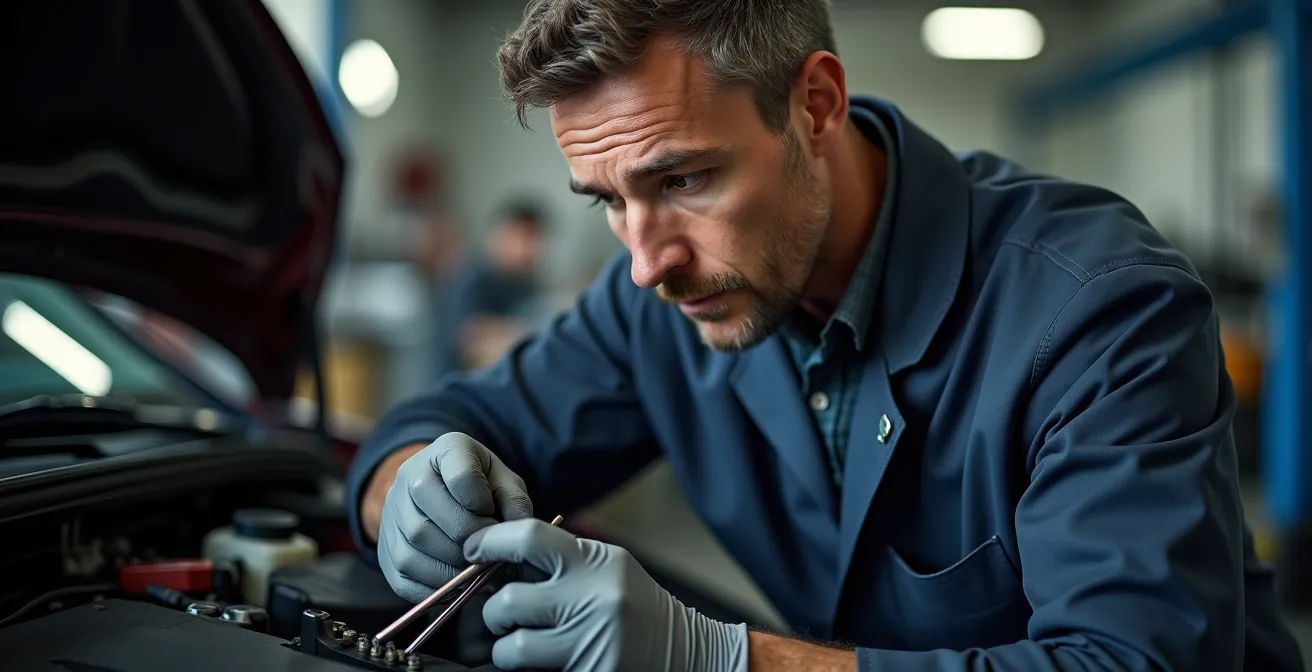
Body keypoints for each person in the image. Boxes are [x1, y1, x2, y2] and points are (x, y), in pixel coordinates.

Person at [345, 1, 1305, 670]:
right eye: (608, 200)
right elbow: (456, 420)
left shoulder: (1098, 312)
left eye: (684, 180)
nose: (645, 262)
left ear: (816, 106)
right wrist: (406, 484)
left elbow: (1134, 662)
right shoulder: (662, 301)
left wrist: (721, 662)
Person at [431, 199, 547, 374]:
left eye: (535, 239)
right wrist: (520, 333)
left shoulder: (523, 282)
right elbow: (469, 338)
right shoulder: (469, 275)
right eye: (522, 237)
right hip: (457, 382)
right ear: (500, 235)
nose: (528, 248)